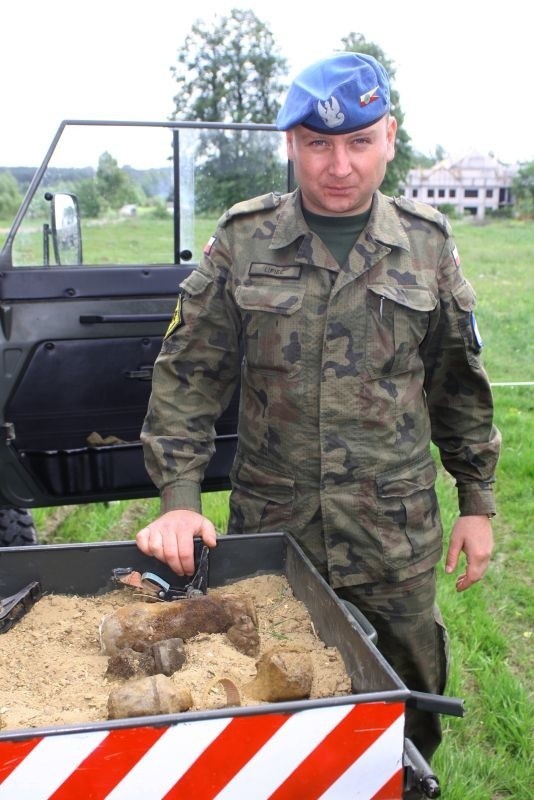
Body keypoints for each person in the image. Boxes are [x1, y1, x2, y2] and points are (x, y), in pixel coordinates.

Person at [137, 52, 501, 760]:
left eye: (359, 142)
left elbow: (456, 382)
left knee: (407, 710)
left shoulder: (426, 246)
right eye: (319, 145)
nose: (340, 166)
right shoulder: (245, 240)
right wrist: (180, 498)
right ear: (292, 146)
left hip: (391, 540)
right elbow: (188, 374)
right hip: (277, 534)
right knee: (275, 714)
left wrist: (477, 503)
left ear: (388, 139)